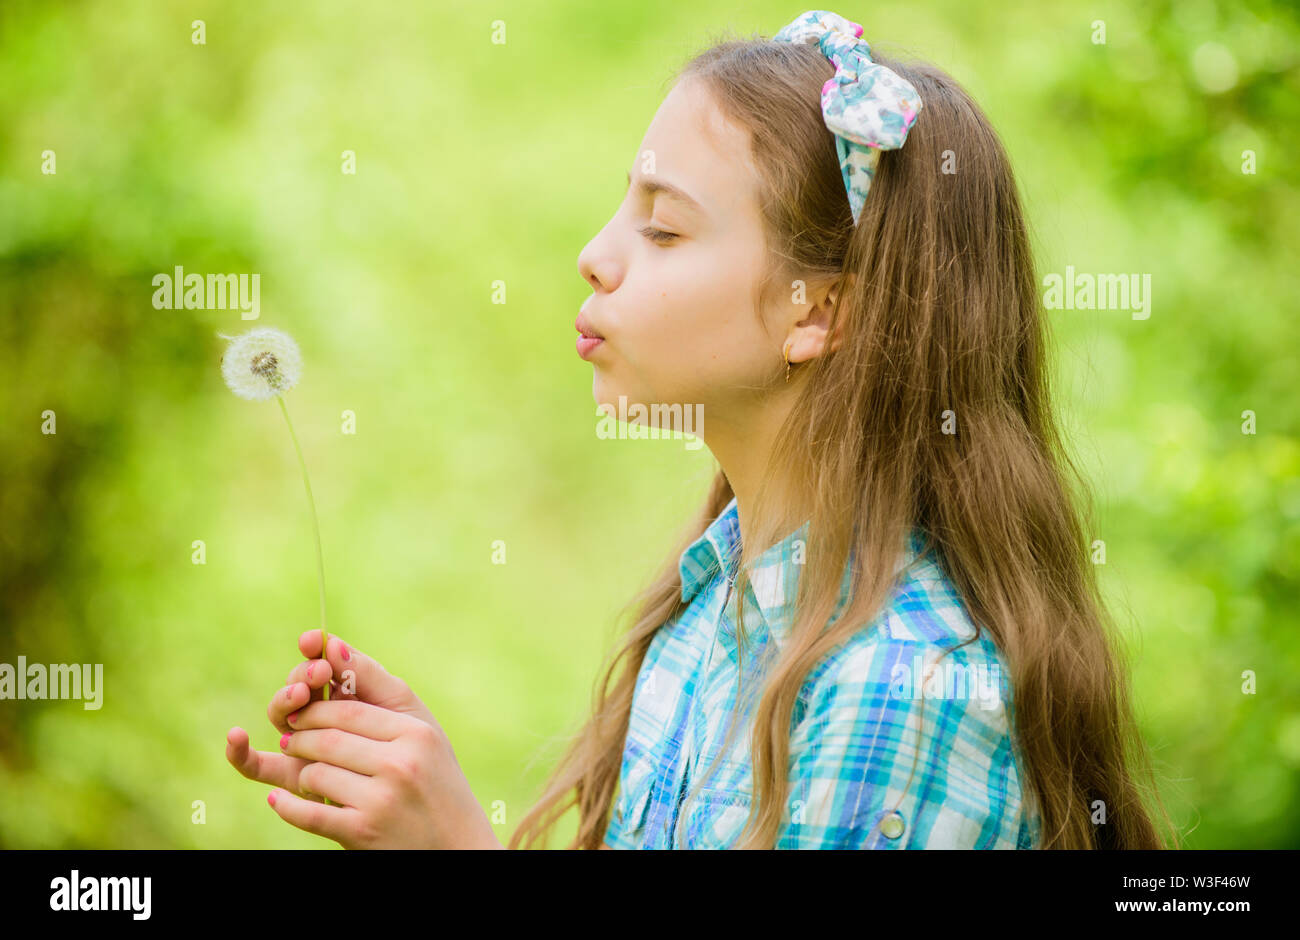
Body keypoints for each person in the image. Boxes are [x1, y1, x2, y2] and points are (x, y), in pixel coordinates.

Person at [226, 10, 1177, 850]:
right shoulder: (708, 614)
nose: (595, 256)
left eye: (665, 230)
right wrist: (415, 793)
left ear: (819, 312)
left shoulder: (898, 691)